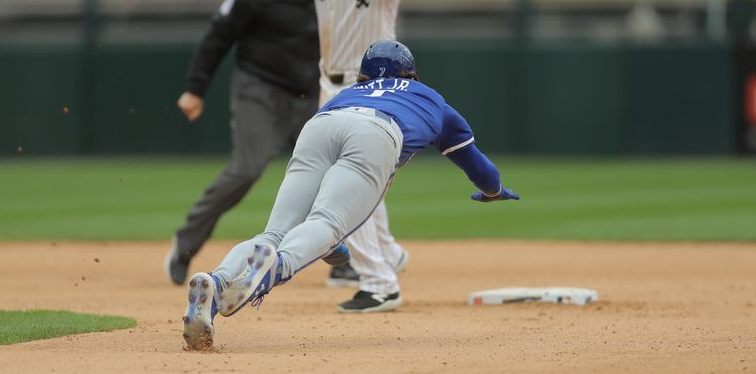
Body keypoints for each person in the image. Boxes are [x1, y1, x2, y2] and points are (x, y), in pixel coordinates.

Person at [181, 40, 520, 351]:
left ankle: (215, 283)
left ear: (364, 76)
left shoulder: (347, 92)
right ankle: (276, 268)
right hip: (376, 131)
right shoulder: (431, 99)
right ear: (410, 73)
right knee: (326, 223)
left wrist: (331, 248)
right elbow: (480, 169)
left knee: (274, 233)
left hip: (322, 125)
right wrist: (494, 192)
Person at [253, 0, 424, 312]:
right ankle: (387, 255)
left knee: (349, 182)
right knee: (362, 177)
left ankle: (380, 283)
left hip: (375, 90)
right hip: (331, 84)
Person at [164, 0, 319, 286]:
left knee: (328, 171)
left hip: (308, 92)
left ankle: (344, 259)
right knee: (247, 169)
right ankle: (185, 246)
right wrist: (195, 88)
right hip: (259, 89)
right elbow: (218, 35)